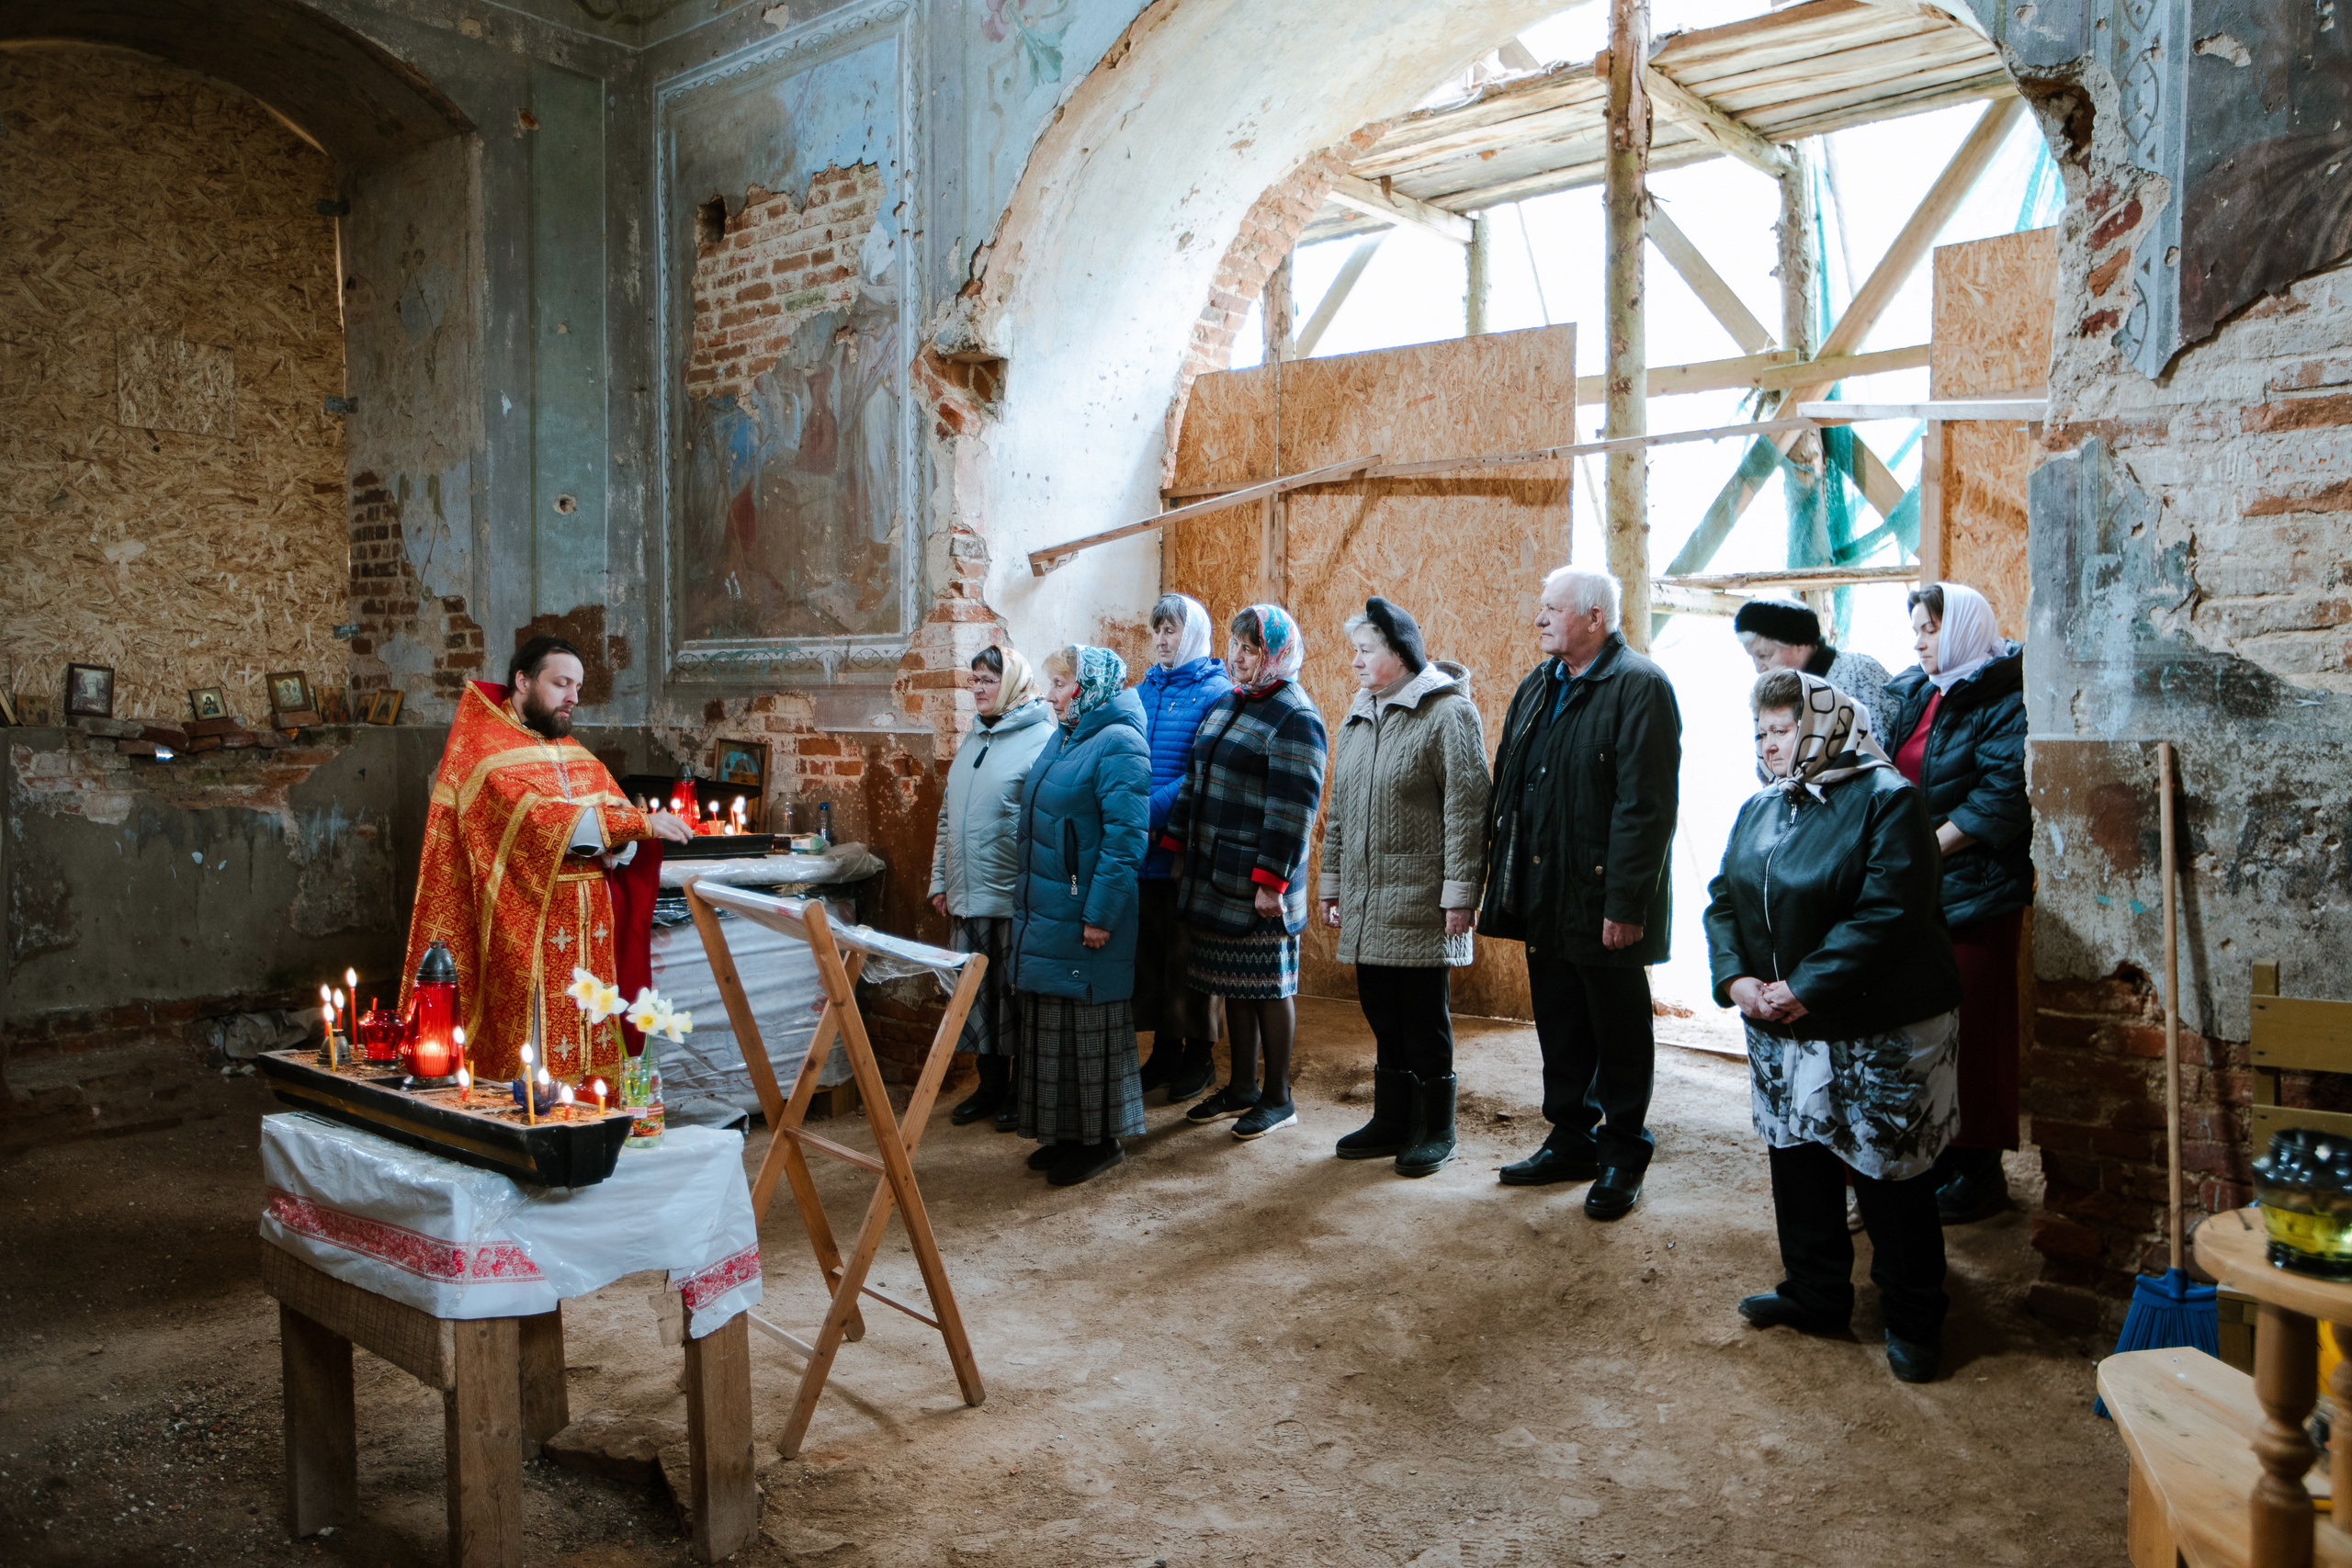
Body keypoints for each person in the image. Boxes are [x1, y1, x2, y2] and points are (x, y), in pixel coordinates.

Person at [1706, 669, 1962, 1384]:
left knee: (1887, 1167)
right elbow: (1724, 899)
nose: (1769, 744)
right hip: (1783, 1024)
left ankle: (1914, 1315)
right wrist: (1738, 980)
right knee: (1799, 1157)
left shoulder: (1887, 800)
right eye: (1760, 731)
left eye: (1783, 730)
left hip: (1876, 1023)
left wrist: (1807, 986)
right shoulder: (1762, 806)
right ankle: (1814, 1291)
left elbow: (1890, 910)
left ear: (1822, 725)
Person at [1477, 566, 1679, 1220]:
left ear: (1595, 617)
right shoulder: (1540, 685)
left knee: (1617, 1029)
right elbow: (1511, 775)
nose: (1539, 618)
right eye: (1541, 607)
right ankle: (1570, 1137)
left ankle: (1622, 1150)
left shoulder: (1639, 687)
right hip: (1544, 887)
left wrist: (1626, 904)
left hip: (1603, 899)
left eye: (1552, 608)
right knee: (1560, 1021)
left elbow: (1645, 809)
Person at [401, 636, 693, 1082]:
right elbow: (537, 822)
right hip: (525, 921)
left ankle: (595, 1121)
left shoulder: (575, 753)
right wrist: (633, 825)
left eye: (577, 687)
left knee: (593, 1028)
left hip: (591, 930)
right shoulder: (485, 751)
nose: (573, 698)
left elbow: (618, 824)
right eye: (561, 684)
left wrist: (629, 834)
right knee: (538, 1054)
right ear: (523, 680)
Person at [1319, 597, 1490, 1177]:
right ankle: (1393, 1118)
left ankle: (1436, 1127)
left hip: (1419, 899)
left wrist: (1460, 894)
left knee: (1422, 1016)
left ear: (1398, 653)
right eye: (1355, 651)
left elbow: (1468, 811)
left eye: (1366, 651)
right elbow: (1339, 809)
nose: (1356, 662)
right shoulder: (1360, 713)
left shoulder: (1448, 714)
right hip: (1368, 899)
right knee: (1379, 1010)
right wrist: (1333, 881)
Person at [1882, 581, 2030, 1225]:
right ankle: (1940, 1152)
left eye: (1931, 629)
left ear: (1964, 627)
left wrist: (1923, 850)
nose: (1919, 641)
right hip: (1919, 892)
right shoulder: (1917, 693)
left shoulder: (2001, 695)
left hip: (1975, 893)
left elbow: (2001, 797)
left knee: (1975, 1031)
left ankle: (1982, 1170)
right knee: (1925, 1026)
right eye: (1915, 629)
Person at [1161, 604, 1329, 1142]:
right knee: (1234, 983)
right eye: (1235, 645)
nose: (1238, 656)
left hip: (1259, 884)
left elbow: (1293, 809)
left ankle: (1279, 1097)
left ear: (1276, 655)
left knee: (1268, 987)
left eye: (1252, 648)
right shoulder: (1232, 703)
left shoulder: (1294, 714)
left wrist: (1270, 883)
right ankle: (1241, 1089)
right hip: (1217, 876)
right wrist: (1178, 845)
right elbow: (1196, 777)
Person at [1010, 645, 1151, 1188]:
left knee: (1089, 1025)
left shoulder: (1119, 743)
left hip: (1084, 911)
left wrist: (1100, 914)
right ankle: (1067, 1133)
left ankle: (1102, 1141)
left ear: (1089, 686)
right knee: (1055, 1024)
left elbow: (1123, 842)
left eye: (1061, 682)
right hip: (1050, 908)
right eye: (1051, 682)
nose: (1050, 693)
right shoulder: (1066, 735)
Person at [931, 646, 1057, 1129]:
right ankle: (990, 1086)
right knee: (977, 997)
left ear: (1011, 684)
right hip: (968, 893)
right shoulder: (973, 738)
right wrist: (940, 880)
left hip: (1011, 896)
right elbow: (948, 816)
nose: (979, 689)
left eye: (988, 680)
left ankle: (1023, 1094)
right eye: (975, 680)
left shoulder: (1041, 739)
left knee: (1015, 997)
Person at [1131, 593, 1232, 1102]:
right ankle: (1165, 1052)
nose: (1163, 641)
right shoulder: (1144, 689)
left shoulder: (1216, 691)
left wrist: (1146, 811)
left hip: (1184, 848)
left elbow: (1201, 771)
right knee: (1152, 953)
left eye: (1172, 630)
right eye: (1158, 631)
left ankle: (1200, 1057)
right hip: (1142, 853)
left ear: (1193, 633)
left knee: (1191, 957)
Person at [1732, 597, 1896, 742]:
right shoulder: (1770, 695)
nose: (1759, 669)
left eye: (1765, 655)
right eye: (1753, 657)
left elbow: (1892, 742)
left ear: (1798, 644)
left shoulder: (1860, 671)